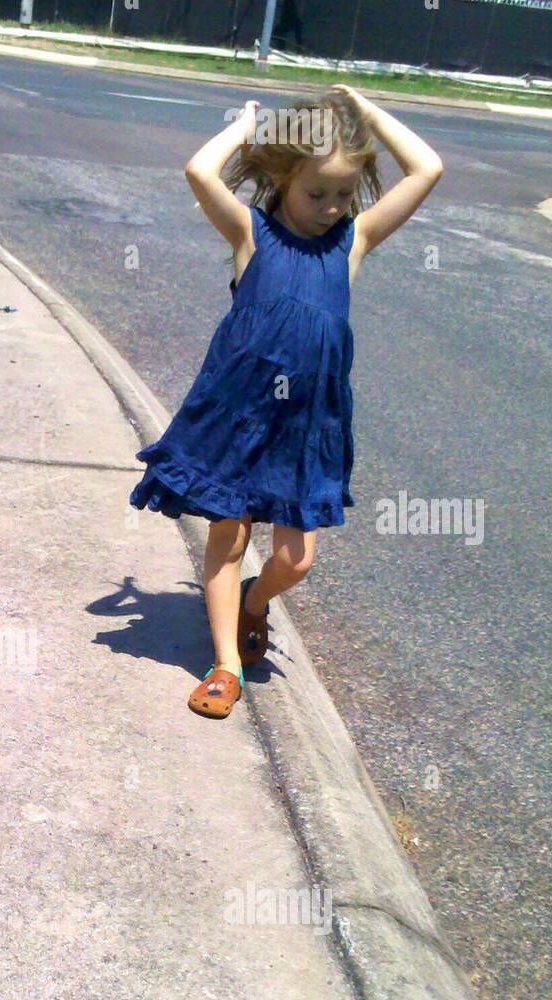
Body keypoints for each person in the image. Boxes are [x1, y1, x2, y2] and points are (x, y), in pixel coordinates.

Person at [129, 85, 443, 718]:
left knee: (295, 560)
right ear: (283, 178)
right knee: (229, 534)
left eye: (342, 194)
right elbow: (199, 170)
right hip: (240, 416)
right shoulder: (251, 233)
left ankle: (253, 602)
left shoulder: (352, 243)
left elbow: (427, 168)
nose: (331, 207)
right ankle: (223, 666)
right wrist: (246, 127)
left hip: (305, 426)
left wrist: (365, 114)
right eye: (315, 193)